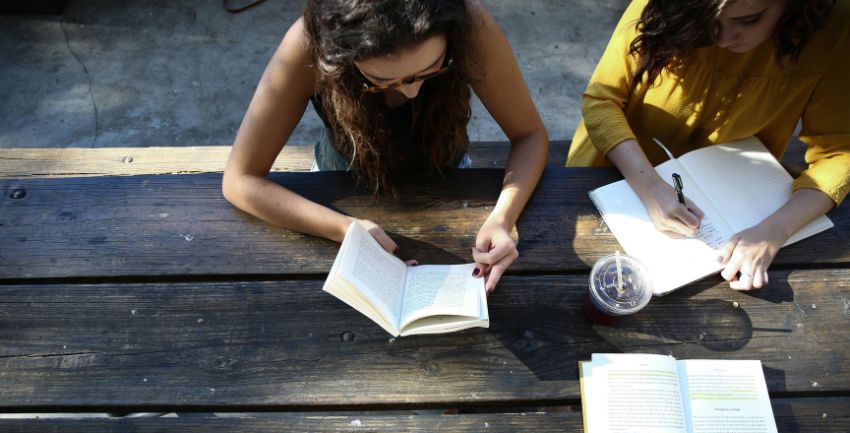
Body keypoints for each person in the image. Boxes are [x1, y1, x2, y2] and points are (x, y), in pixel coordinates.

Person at [223, 0, 548, 293]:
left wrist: (503, 218)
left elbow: (529, 135)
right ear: (340, 56)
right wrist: (345, 228)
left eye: (433, 68)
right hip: (337, 187)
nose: (412, 92)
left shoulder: (470, 23)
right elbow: (240, 179)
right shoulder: (310, 43)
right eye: (382, 82)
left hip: (449, 177)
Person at [568, 0, 849, 290]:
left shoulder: (836, 27)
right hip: (613, 168)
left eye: (750, 20)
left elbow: (840, 153)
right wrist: (650, 187)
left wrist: (773, 232)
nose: (724, 39)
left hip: (739, 201)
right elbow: (602, 101)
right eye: (709, 21)